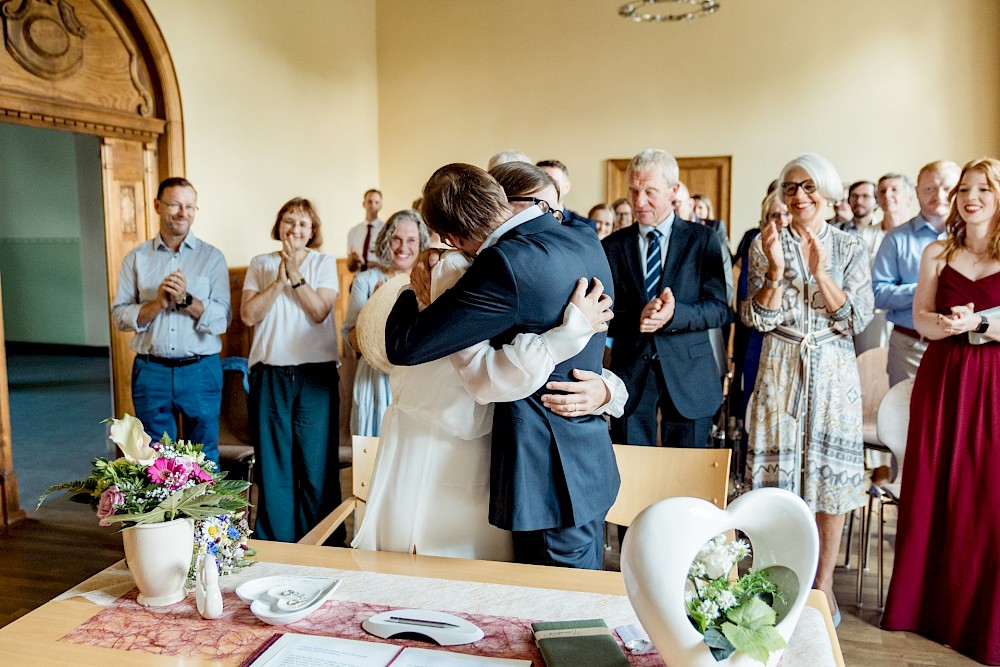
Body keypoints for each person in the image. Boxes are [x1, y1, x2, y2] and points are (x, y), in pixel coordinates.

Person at [384, 162, 617, 570]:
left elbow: (405, 346)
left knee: (555, 615)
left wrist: (409, 290)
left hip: (544, 476)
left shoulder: (502, 264)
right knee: (579, 603)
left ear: (452, 237)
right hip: (588, 458)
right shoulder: (584, 238)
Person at [741, 153, 873, 623]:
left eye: (808, 187)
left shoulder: (851, 248)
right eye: (791, 187)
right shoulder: (764, 243)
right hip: (780, 365)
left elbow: (856, 318)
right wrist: (775, 271)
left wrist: (821, 273)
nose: (798, 196)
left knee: (829, 483)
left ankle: (821, 588)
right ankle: (768, 582)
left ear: (827, 192)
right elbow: (755, 318)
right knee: (773, 483)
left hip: (833, 372)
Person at [882, 157, 1000, 664]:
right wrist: (946, 327)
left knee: (988, 498)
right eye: (964, 190)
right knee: (933, 488)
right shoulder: (936, 252)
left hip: (994, 384)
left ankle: (982, 624)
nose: (970, 198)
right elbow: (921, 320)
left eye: (983, 190)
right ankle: (922, 610)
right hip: (944, 377)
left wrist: (979, 325)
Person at [602, 149, 732, 450]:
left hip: (690, 377)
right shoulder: (611, 246)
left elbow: (719, 310)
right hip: (631, 379)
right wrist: (638, 317)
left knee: (687, 486)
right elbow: (603, 316)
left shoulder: (702, 240)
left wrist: (674, 315)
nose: (639, 201)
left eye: (650, 192)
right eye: (633, 191)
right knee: (633, 479)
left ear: (674, 191)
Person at [240, 198, 343, 544]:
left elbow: (318, 312)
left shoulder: (324, 263)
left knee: (317, 466)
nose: (295, 229)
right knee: (274, 466)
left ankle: (323, 542)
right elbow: (248, 316)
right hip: (270, 375)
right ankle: (276, 544)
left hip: (315, 377)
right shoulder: (260, 263)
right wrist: (278, 281)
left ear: (313, 231)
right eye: (288, 221)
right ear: (278, 226)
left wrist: (296, 277)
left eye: (302, 223)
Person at [111, 176, 230, 464]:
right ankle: (163, 512)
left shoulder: (212, 258)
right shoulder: (136, 259)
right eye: (175, 204)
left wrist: (186, 301)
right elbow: (119, 316)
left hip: (200, 370)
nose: (183, 212)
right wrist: (158, 303)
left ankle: (204, 512)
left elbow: (222, 319)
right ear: (157, 205)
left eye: (190, 206)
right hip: (152, 373)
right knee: (153, 459)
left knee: (202, 458)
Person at [872, 160, 960, 385]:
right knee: (906, 416)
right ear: (917, 192)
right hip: (910, 347)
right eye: (930, 188)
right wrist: (927, 290)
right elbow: (878, 293)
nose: (939, 195)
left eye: (948, 188)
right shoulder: (896, 238)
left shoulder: (972, 240)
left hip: (961, 345)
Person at [342, 210, 429, 436]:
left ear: (421, 244)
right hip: (375, 382)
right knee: (370, 458)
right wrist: (376, 308)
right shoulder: (365, 281)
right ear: (386, 240)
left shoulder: (430, 280)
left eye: (411, 240)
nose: (403, 247)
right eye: (396, 239)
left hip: (417, 378)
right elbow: (353, 341)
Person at [536, 159, 597, 232]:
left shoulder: (584, 226)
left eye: (554, 183)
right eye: (542, 181)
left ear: (567, 187)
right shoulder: (523, 220)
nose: (547, 187)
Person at [346, 188, 384, 273]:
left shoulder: (386, 230)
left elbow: (389, 264)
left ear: (381, 205)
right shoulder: (353, 231)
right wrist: (354, 260)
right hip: (357, 279)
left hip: (379, 280)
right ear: (364, 204)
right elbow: (350, 267)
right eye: (369, 202)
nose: (373, 205)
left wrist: (366, 264)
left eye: (376, 202)